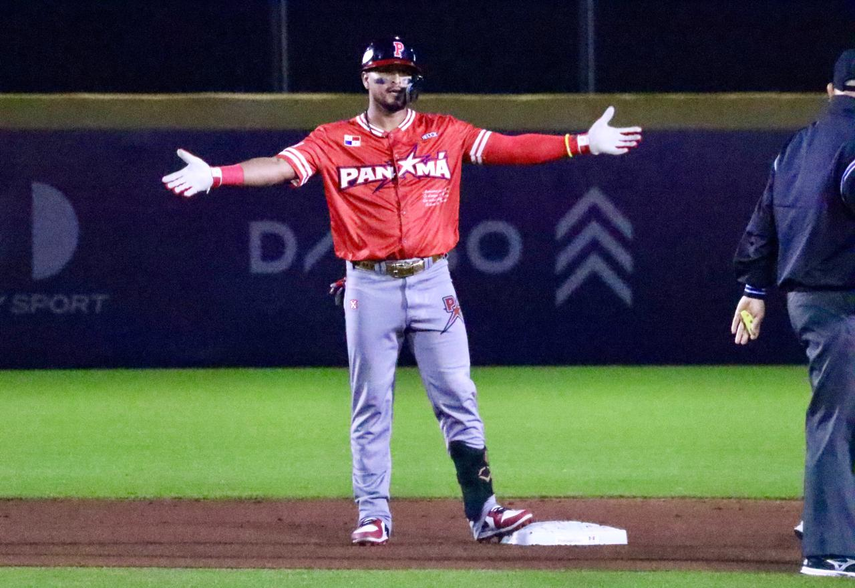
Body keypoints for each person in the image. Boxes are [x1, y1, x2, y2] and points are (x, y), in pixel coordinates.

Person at [163, 36, 642, 545]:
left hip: (434, 280)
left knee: (459, 395)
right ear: (365, 78)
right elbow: (280, 167)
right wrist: (219, 174)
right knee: (371, 402)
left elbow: (507, 147)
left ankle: (485, 511)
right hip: (368, 286)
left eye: (404, 72)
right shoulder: (333, 137)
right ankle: (373, 513)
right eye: (385, 72)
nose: (396, 81)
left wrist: (582, 143)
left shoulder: (443, 131)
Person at [732, 49, 855, 578]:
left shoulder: (799, 142)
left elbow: (766, 214)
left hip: (807, 297)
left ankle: (826, 517)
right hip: (843, 296)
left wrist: (754, 288)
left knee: (841, 411)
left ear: (831, 91)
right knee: (838, 415)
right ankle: (829, 547)